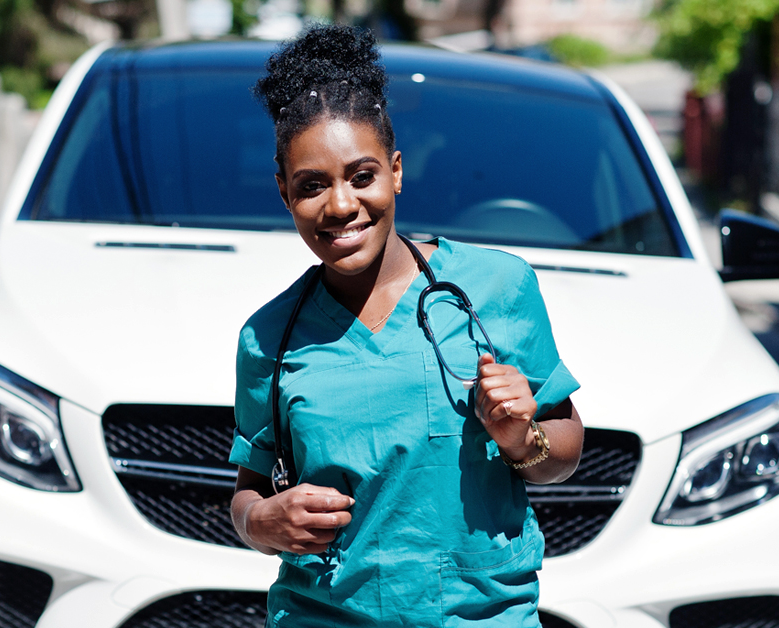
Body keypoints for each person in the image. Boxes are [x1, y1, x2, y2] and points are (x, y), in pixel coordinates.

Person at [229, 24, 584, 627]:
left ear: (395, 171)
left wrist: (522, 439)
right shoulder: (268, 338)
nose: (340, 205)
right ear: (284, 192)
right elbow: (250, 490)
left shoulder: (498, 288)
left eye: (361, 176)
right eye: (312, 185)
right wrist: (261, 524)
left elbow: (564, 451)